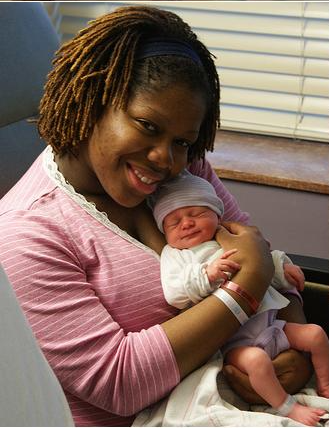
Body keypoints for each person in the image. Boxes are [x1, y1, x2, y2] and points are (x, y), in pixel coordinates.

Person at [0, 5, 312, 426]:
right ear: (95, 101)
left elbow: (257, 250)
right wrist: (246, 288)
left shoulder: (186, 171)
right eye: (147, 126)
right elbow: (120, 382)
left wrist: (295, 351)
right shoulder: (27, 234)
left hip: (247, 394)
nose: (164, 159)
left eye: (182, 141)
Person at [152, 170, 329, 426]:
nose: (187, 223)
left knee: (315, 334)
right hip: (235, 342)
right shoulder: (176, 254)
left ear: (218, 216)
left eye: (197, 213)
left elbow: (264, 260)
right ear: (164, 231)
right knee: (257, 362)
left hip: (272, 326)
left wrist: (283, 268)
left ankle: (325, 384)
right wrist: (206, 275)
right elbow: (175, 293)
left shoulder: (229, 237)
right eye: (173, 222)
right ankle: (287, 407)